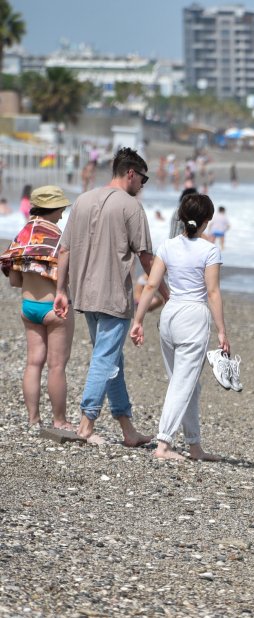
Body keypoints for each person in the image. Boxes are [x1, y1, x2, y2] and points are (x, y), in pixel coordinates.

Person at [53, 147, 166, 446]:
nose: (143, 185)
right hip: (114, 295)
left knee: (113, 358)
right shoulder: (131, 207)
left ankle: (128, 429)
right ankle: (86, 424)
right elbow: (146, 258)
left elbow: (64, 250)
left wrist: (61, 290)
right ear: (130, 173)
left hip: (84, 292)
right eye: (143, 179)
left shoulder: (82, 199)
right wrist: (167, 293)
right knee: (104, 358)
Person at [130, 194, 229, 461]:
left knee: (187, 383)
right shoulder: (210, 250)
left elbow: (151, 285)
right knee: (182, 384)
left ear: (181, 218)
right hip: (193, 317)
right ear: (207, 220)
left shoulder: (167, 246)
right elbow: (213, 292)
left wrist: (138, 320)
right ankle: (163, 444)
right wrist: (222, 331)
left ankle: (194, 446)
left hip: (170, 314)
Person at [1, 186, 74, 430]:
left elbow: (14, 280)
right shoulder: (59, 237)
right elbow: (66, 277)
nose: (62, 214)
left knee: (33, 363)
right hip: (54, 308)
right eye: (61, 209)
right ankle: (59, 420)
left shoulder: (22, 235)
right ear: (52, 208)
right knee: (57, 366)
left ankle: (33, 419)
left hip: (28, 306)